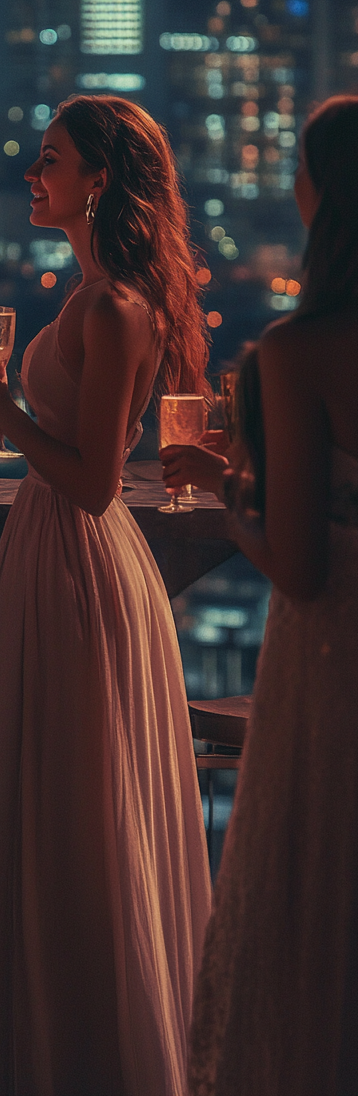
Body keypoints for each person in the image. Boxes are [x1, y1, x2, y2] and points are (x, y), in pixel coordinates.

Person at [0, 95, 213, 1096]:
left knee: (73, 812)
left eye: (49, 159)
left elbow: (98, 478)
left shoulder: (110, 306)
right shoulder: (103, 293)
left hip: (76, 558)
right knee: (72, 805)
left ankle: (79, 1057)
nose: (32, 172)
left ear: (96, 180)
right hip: (55, 554)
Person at [160, 97, 358, 1096]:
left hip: (332, 661)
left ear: (322, 197)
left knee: (316, 885)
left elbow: (302, 565)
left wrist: (235, 510)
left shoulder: (295, 348)